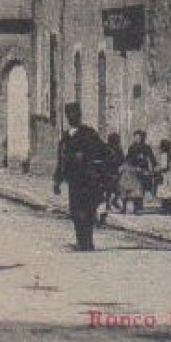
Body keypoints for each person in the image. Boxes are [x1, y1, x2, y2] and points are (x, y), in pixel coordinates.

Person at [53, 101, 108, 251]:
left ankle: (87, 241)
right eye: (69, 114)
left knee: (88, 209)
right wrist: (57, 181)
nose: (72, 116)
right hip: (73, 179)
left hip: (88, 178)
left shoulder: (89, 133)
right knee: (75, 210)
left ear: (79, 115)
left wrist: (86, 157)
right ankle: (81, 241)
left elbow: (102, 150)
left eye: (75, 114)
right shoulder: (65, 137)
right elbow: (61, 160)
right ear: (66, 116)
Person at [125, 130, 157, 212]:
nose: (137, 139)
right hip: (134, 169)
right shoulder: (132, 147)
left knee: (142, 186)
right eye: (136, 137)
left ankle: (140, 205)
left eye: (139, 137)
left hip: (144, 169)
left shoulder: (146, 147)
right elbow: (128, 158)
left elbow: (152, 157)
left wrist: (154, 166)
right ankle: (136, 206)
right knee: (135, 188)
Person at [101, 132, 126, 220]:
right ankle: (109, 204)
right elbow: (104, 159)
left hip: (115, 170)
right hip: (109, 171)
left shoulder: (118, 148)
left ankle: (113, 201)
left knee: (116, 188)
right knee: (109, 188)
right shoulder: (107, 147)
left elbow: (122, 159)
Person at [154, 137, 171, 214]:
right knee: (169, 193)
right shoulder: (169, 155)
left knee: (165, 193)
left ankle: (166, 209)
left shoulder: (164, 155)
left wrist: (156, 170)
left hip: (166, 176)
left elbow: (164, 167)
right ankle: (169, 208)